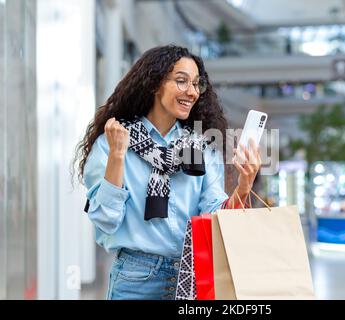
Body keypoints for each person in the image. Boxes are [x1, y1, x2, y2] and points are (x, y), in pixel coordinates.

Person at [73, 45, 261, 300]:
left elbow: (216, 219)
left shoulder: (200, 146)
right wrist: (118, 156)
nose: (192, 92)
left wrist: (244, 186)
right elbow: (106, 219)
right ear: (154, 84)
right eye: (181, 81)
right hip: (135, 280)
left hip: (192, 275)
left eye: (196, 84)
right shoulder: (113, 142)